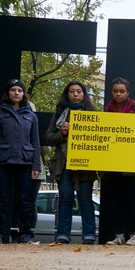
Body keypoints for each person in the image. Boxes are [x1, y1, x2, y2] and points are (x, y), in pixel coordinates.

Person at [0, 78, 41, 244]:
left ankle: (25, 234)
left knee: (24, 200)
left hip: (25, 162)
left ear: (24, 94)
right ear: (7, 93)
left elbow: (35, 142)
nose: (16, 93)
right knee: (1, 199)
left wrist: (36, 165)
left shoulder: (31, 116)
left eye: (20, 90)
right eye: (13, 90)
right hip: (3, 161)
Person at [43, 80, 97, 244]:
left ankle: (89, 234)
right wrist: (62, 133)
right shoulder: (60, 113)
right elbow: (48, 137)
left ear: (84, 94)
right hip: (64, 164)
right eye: (72, 91)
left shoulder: (92, 113)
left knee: (86, 200)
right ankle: (63, 235)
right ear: (67, 94)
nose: (75, 94)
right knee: (65, 198)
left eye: (79, 91)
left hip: (85, 164)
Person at [98, 77, 135, 245]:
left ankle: (133, 235)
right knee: (116, 200)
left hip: (133, 165)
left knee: (132, 200)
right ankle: (119, 235)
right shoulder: (106, 113)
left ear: (128, 93)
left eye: (122, 91)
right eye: (115, 91)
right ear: (111, 92)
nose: (118, 94)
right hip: (113, 165)